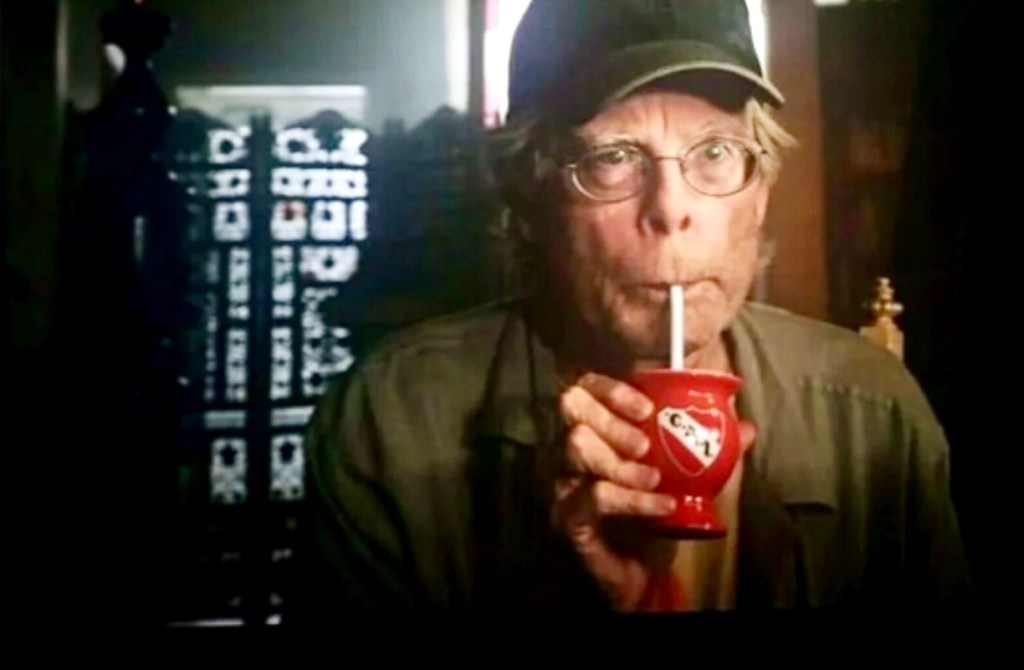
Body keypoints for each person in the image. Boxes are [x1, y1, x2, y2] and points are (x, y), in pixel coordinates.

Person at [297, 0, 972, 614]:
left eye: (715, 152)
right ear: (529, 200)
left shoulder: (874, 414)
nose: (671, 210)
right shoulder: (391, 426)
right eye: (613, 158)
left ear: (760, 190)